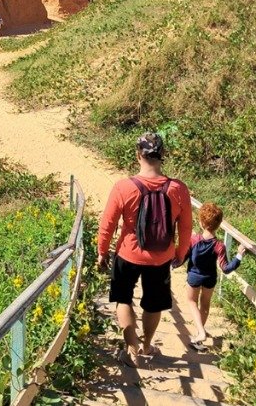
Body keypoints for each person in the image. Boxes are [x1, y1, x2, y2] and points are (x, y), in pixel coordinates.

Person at [97, 132, 192, 367]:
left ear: (138, 154)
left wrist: (102, 251)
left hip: (128, 254)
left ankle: (132, 351)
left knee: (123, 299)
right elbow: (186, 227)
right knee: (153, 303)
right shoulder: (178, 189)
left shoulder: (123, 187)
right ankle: (147, 345)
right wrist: (180, 253)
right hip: (161, 257)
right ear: (163, 154)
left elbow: (108, 223)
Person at [183, 203, 246, 350]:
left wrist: (171, 263)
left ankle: (201, 332)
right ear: (218, 224)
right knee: (205, 305)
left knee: (191, 301)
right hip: (210, 278)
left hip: (194, 277)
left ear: (201, 222)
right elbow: (225, 268)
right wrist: (239, 256)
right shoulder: (219, 246)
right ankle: (199, 337)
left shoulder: (193, 240)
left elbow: (182, 258)